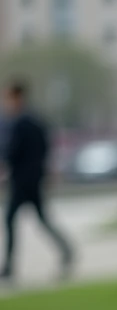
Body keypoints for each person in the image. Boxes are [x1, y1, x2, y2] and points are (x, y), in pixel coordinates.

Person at [2, 79, 73, 281]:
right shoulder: (35, 120)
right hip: (33, 179)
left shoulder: (21, 123)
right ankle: (66, 250)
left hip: (23, 181)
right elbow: (45, 147)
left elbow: (12, 151)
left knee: (10, 220)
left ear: (17, 97)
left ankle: (9, 266)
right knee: (41, 219)